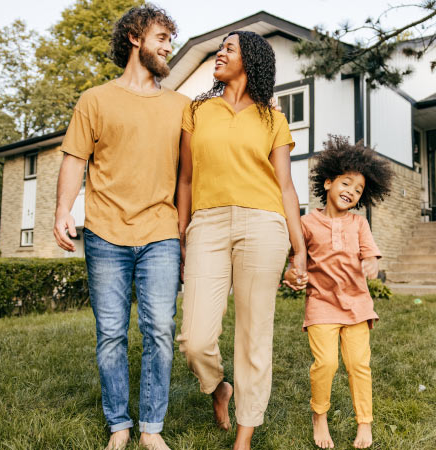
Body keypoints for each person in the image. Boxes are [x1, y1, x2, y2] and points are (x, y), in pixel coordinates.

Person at [53, 6, 188, 450]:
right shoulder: (95, 100)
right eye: (162, 37)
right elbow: (75, 159)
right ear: (134, 37)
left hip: (161, 232)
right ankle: (119, 424)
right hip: (105, 232)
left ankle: (151, 427)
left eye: (171, 39)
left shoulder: (181, 106)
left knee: (160, 330)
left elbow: (190, 173)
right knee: (111, 333)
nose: (169, 46)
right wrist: (61, 212)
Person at [175, 31, 307, 450]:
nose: (220, 53)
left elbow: (285, 187)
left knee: (254, 334)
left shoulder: (272, 118)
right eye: (221, 47)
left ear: (249, 60)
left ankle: (245, 436)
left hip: (263, 225)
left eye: (229, 48)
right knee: (194, 339)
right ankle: (218, 389)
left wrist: (299, 248)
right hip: (207, 225)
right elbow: (185, 178)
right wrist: (182, 232)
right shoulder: (198, 111)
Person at [283, 136, 393, 449]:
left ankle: (364, 423)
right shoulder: (306, 223)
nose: (351, 193)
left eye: (358, 191)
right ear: (328, 182)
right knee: (326, 364)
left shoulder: (359, 224)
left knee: (359, 364)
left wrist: (370, 261)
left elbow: (369, 252)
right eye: (346, 184)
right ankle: (320, 416)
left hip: (358, 306)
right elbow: (295, 258)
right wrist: (293, 274)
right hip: (321, 305)